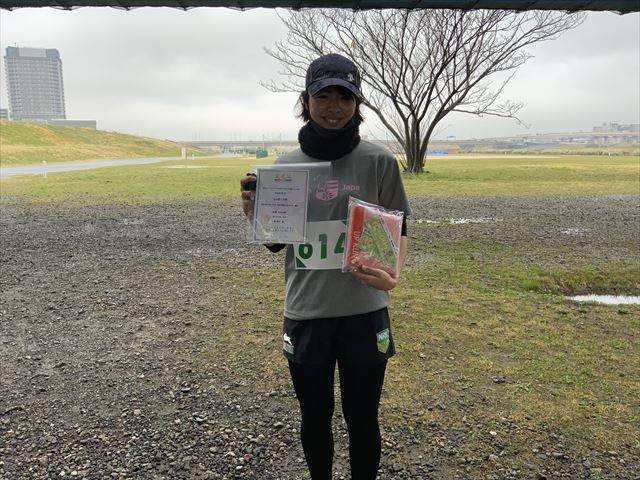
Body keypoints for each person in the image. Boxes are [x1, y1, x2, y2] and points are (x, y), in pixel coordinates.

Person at [240, 53, 411, 480]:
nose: (334, 107)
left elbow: (400, 227)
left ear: (358, 104)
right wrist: (254, 211)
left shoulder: (379, 162)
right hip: (307, 312)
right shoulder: (285, 168)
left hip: (364, 311)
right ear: (305, 101)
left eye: (344, 97)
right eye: (323, 96)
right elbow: (275, 241)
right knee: (314, 414)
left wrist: (393, 274)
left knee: (363, 416)